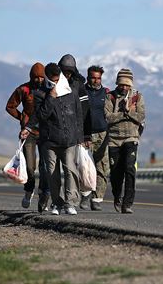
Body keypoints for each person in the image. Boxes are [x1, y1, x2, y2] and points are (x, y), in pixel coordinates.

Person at [25, 63, 83, 215]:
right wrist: (50, 97)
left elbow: (78, 115)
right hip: (49, 140)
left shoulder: (71, 91)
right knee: (52, 173)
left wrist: (79, 136)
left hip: (69, 139)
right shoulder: (39, 93)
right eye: (53, 80)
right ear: (47, 78)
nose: (56, 83)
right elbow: (42, 115)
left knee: (70, 170)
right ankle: (57, 203)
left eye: (58, 80)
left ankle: (70, 203)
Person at [6, 62, 50, 212]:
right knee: (30, 167)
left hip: (45, 132)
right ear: (30, 77)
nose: (38, 80)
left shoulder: (49, 89)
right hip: (29, 133)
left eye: (41, 77)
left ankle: (44, 195)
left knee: (45, 167)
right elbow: (10, 106)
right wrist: (22, 118)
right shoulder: (23, 89)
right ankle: (29, 190)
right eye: (35, 77)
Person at [105, 68, 145, 214]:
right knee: (116, 173)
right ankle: (117, 196)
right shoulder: (110, 97)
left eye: (127, 85)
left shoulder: (137, 97)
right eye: (121, 84)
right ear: (117, 83)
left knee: (130, 170)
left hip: (131, 138)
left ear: (131, 84)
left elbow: (141, 117)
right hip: (114, 140)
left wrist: (130, 112)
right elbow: (108, 117)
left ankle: (127, 203)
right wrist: (124, 113)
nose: (124, 87)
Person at [58, 54, 92, 210]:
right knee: (53, 169)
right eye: (64, 71)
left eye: (69, 71)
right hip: (55, 132)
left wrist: (85, 135)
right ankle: (55, 198)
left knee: (70, 167)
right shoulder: (54, 82)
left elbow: (85, 111)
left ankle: (71, 200)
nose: (67, 74)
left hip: (73, 134)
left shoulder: (79, 85)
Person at [84, 65, 110, 211]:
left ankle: (97, 198)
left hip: (102, 134)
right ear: (88, 77)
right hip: (85, 135)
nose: (96, 80)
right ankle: (85, 194)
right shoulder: (82, 92)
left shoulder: (106, 93)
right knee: (84, 168)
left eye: (98, 78)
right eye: (93, 77)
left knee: (102, 167)